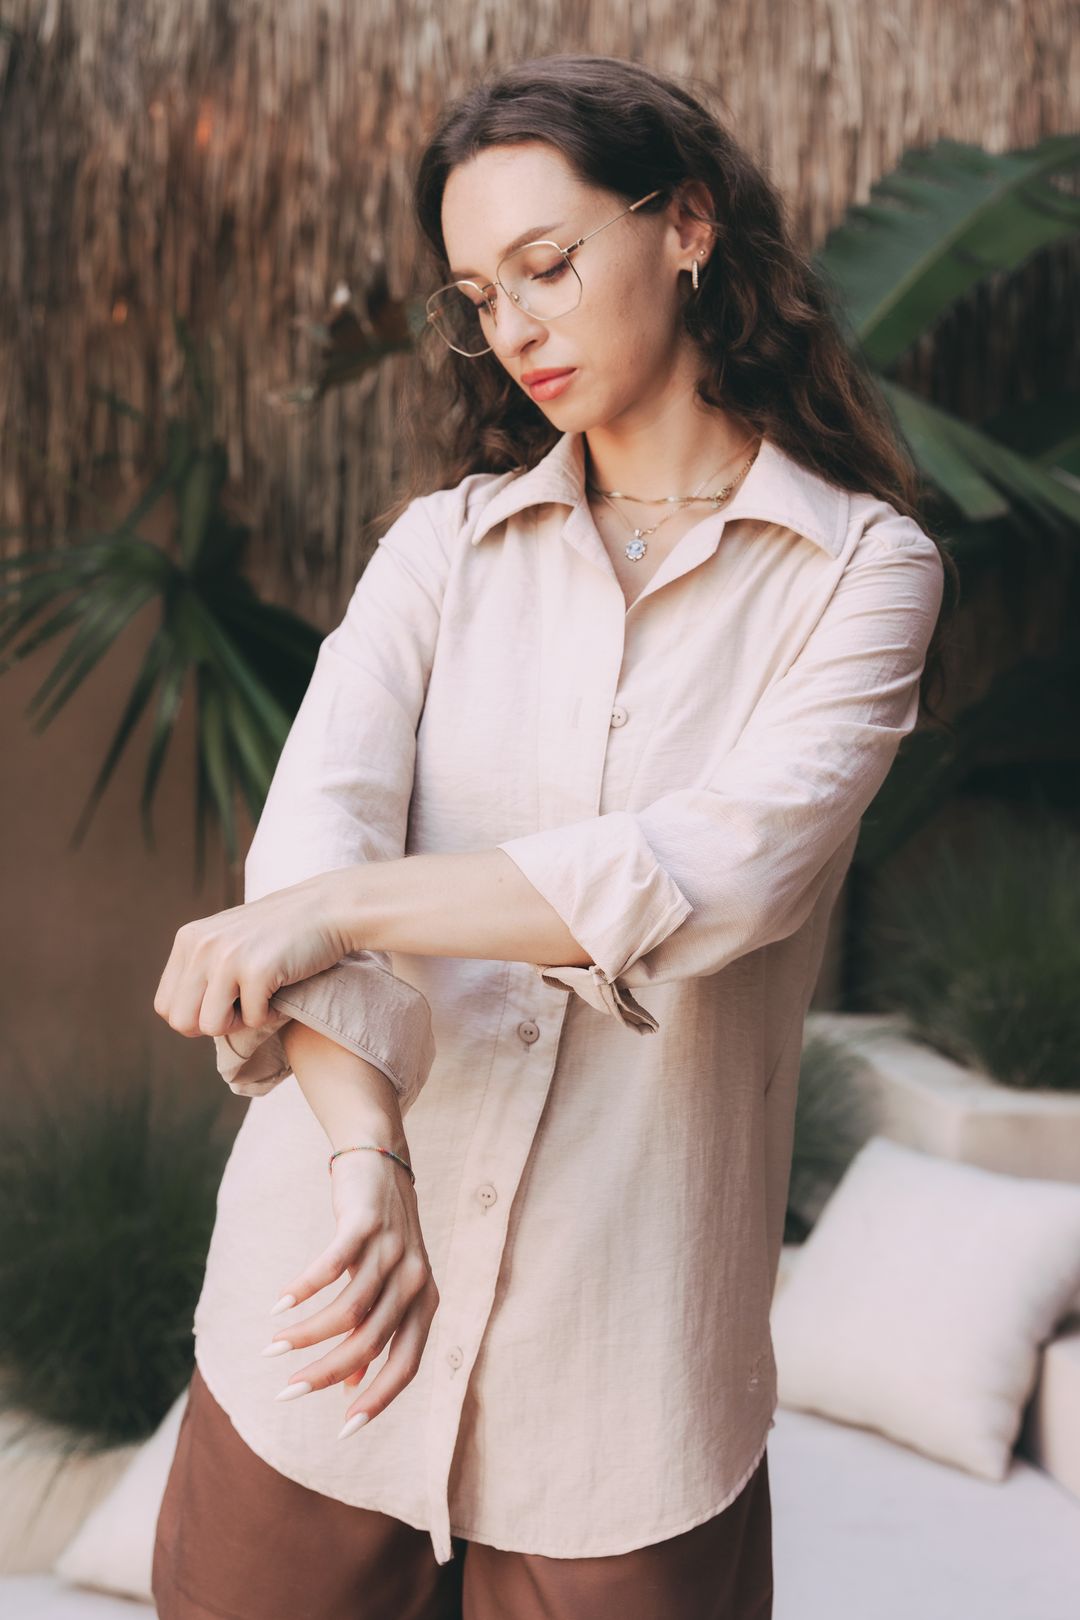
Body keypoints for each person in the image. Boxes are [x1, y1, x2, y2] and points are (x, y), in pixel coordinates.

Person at [150, 51, 953, 1620]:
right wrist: (365, 1153)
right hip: (322, 1296)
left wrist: (350, 911)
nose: (513, 326)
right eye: (477, 295)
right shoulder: (440, 550)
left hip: (625, 1359)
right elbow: (307, 846)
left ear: (688, 226)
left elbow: (722, 872)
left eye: (548, 264)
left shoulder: (864, 573)